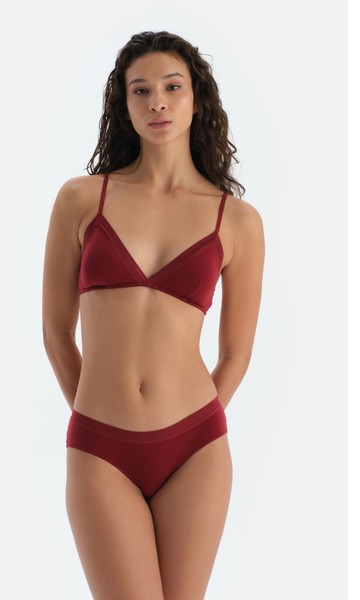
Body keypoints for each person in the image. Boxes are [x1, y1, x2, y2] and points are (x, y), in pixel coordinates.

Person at [42, 30, 265, 600]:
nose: (157, 102)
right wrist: (92, 414)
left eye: (172, 87)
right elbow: (56, 332)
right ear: (124, 105)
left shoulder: (236, 220)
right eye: (140, 90)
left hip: (196, 449)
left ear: (198, 99)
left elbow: (236, 354)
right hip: (100, 446)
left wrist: (193, 424)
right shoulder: (81, 199)